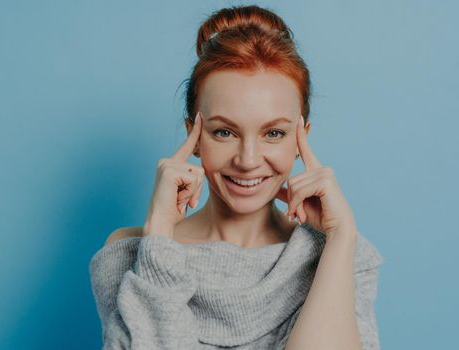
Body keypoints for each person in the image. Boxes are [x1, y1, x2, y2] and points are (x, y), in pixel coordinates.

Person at [89, 5, 384, 350]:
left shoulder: (342, 253)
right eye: (224, 133)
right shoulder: (130, 253)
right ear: (194, 136)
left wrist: (341, 237)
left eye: (273, 133)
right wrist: (159, 235)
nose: (248, 160)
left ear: (301, 137)